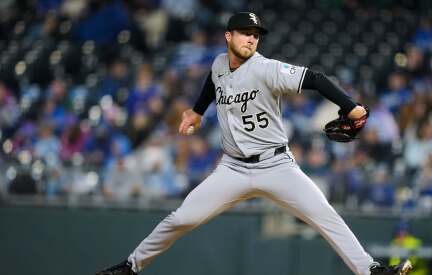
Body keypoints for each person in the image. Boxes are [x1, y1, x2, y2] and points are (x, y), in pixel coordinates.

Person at [95, 12, 412, 275]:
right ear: (228, 36)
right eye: (245, 33)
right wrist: (196, 110)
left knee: (325, 215)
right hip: (232, 168)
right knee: (180, 218)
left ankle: (372, 271)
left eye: (255, 35)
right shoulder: (220, 63)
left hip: (276, 165)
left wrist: (351, 107)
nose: (251, 39)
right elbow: (213, 81)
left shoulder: (266, 68)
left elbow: (314, 78)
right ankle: (129, 267)